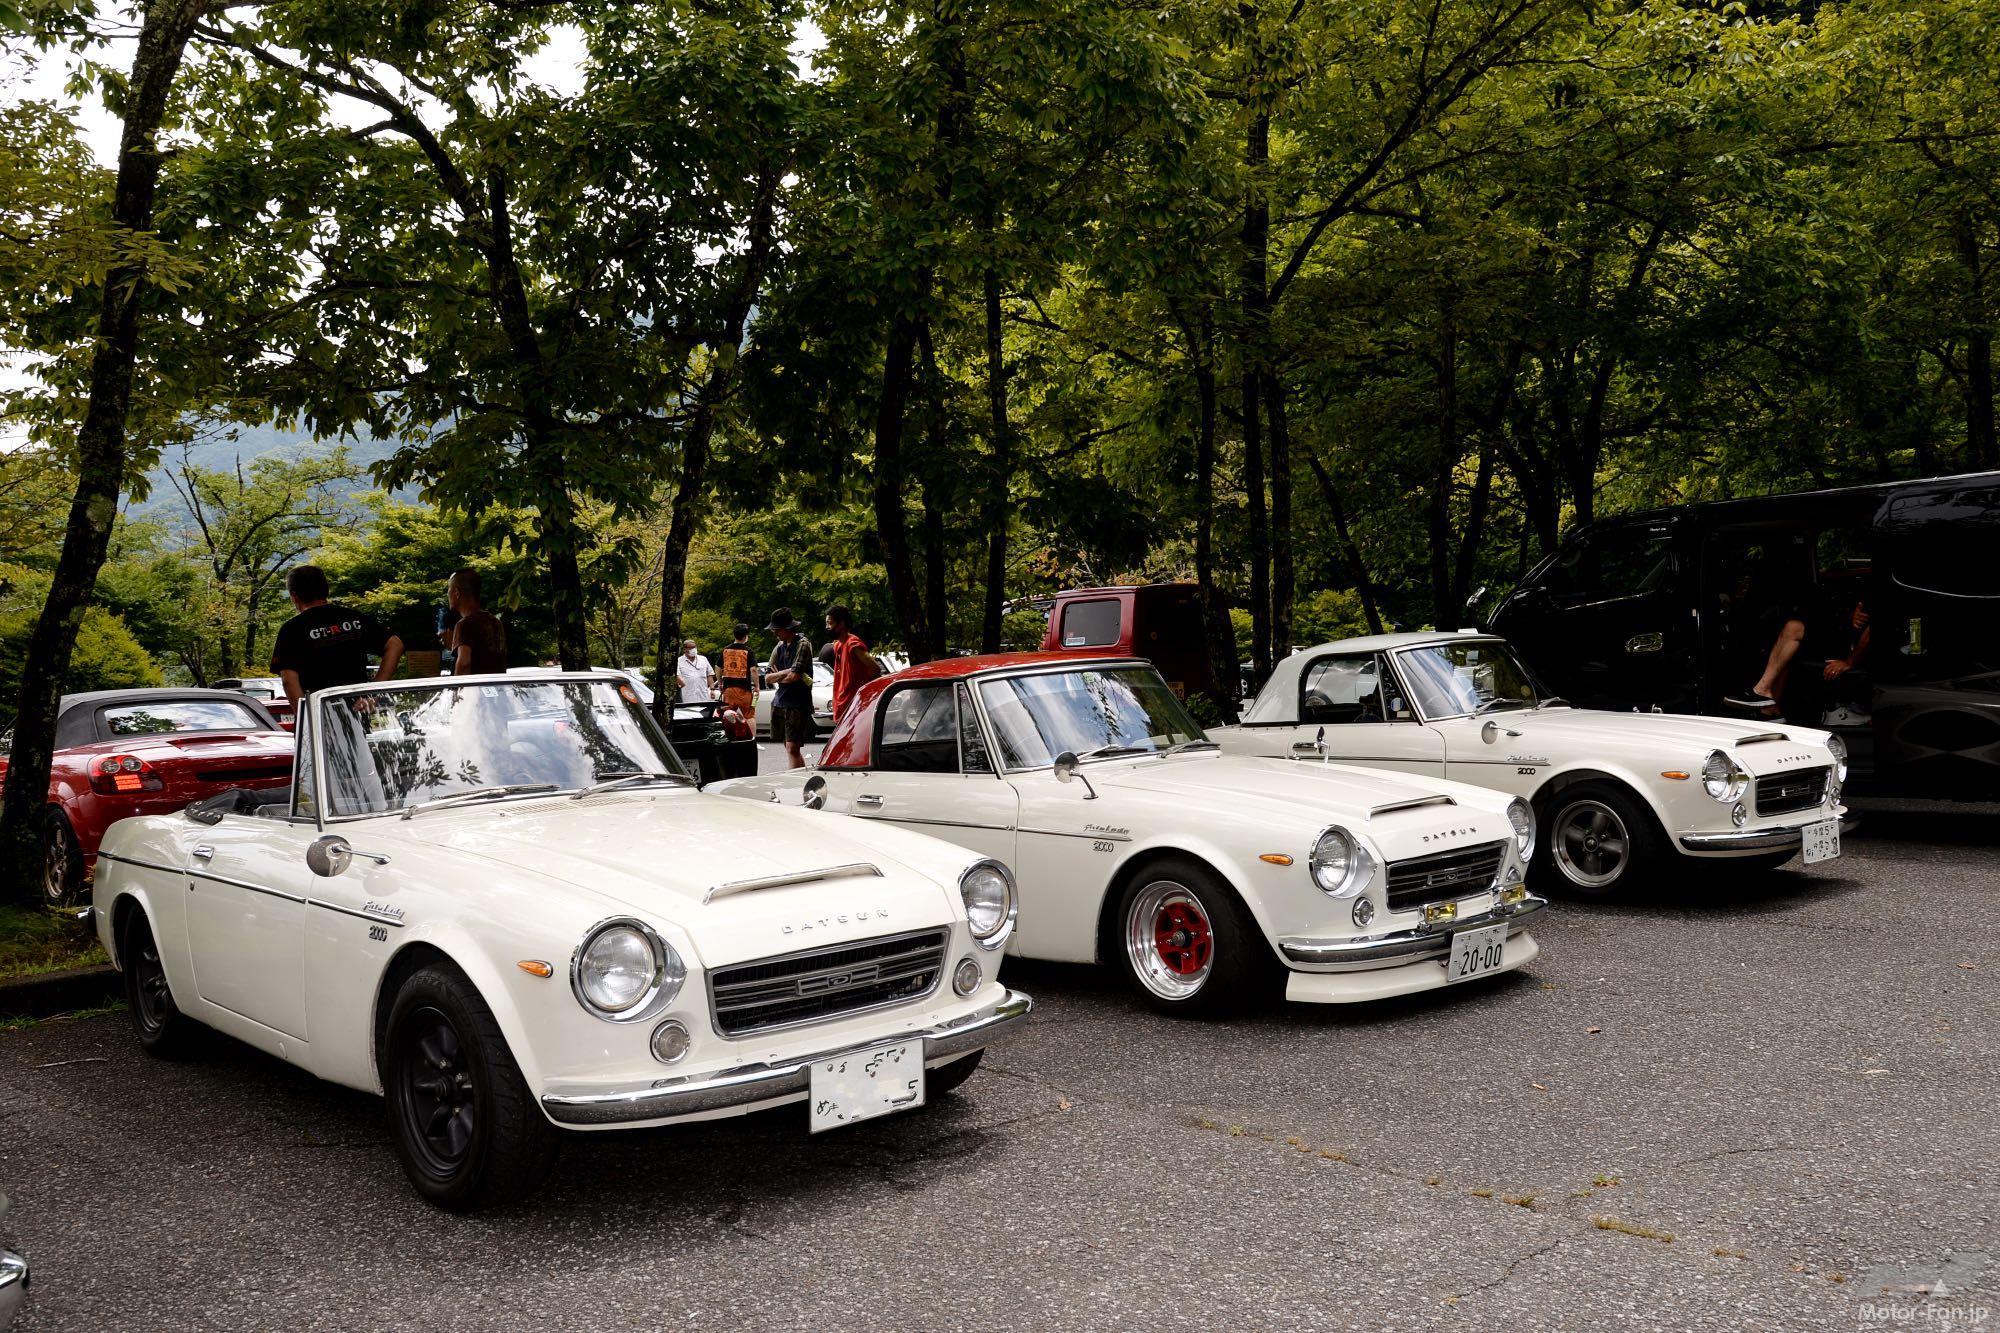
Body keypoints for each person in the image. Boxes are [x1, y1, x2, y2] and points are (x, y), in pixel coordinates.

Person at [269, 564, 404, 707]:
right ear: (326, 590)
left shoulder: (292, 629)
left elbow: (289, 680)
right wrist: (373, 692)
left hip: (321, 716)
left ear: (294, 596)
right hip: (358, 713)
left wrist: (307, 721)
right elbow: (395, 644)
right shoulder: (354, 618)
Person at [765, 608, 814, 769]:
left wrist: (780, 675)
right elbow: (767, 677)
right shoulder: (778, 647)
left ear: (787, 628)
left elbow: (796, 675)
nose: (775, 633)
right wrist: (786, 672)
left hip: (797, 702)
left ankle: (794, 782)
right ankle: (803, 777)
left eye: (777, 630)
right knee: (790, 748)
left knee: (793, 747)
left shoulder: (803, 644)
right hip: (780, 701)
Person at [824, 604, 880, 723]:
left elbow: (875, 669)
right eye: (827, 623)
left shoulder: (853, 644)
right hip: (843, 705)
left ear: (841, 624)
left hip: (855, 706)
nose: (827, 627)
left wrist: (860, 687)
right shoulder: (838, 645)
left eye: (830, 623)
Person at [446, 568, 507, 675]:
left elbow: (464, 663)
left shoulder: (465, 624)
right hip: (498, 689)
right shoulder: (496, 622)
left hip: (474, 690)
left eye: (449, 589)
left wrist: (457, 690)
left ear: (456, 593)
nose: (447, 594)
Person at [718, 623, 760, 714]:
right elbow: (753, 670)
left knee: (728, 716)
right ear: (745, 636)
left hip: (728, 690)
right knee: (749, 716)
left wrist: (720, 684)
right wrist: (757, 686)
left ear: (734, 635)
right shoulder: (748, 651)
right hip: (744, 690)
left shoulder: (726, 650)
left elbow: (718, 667)